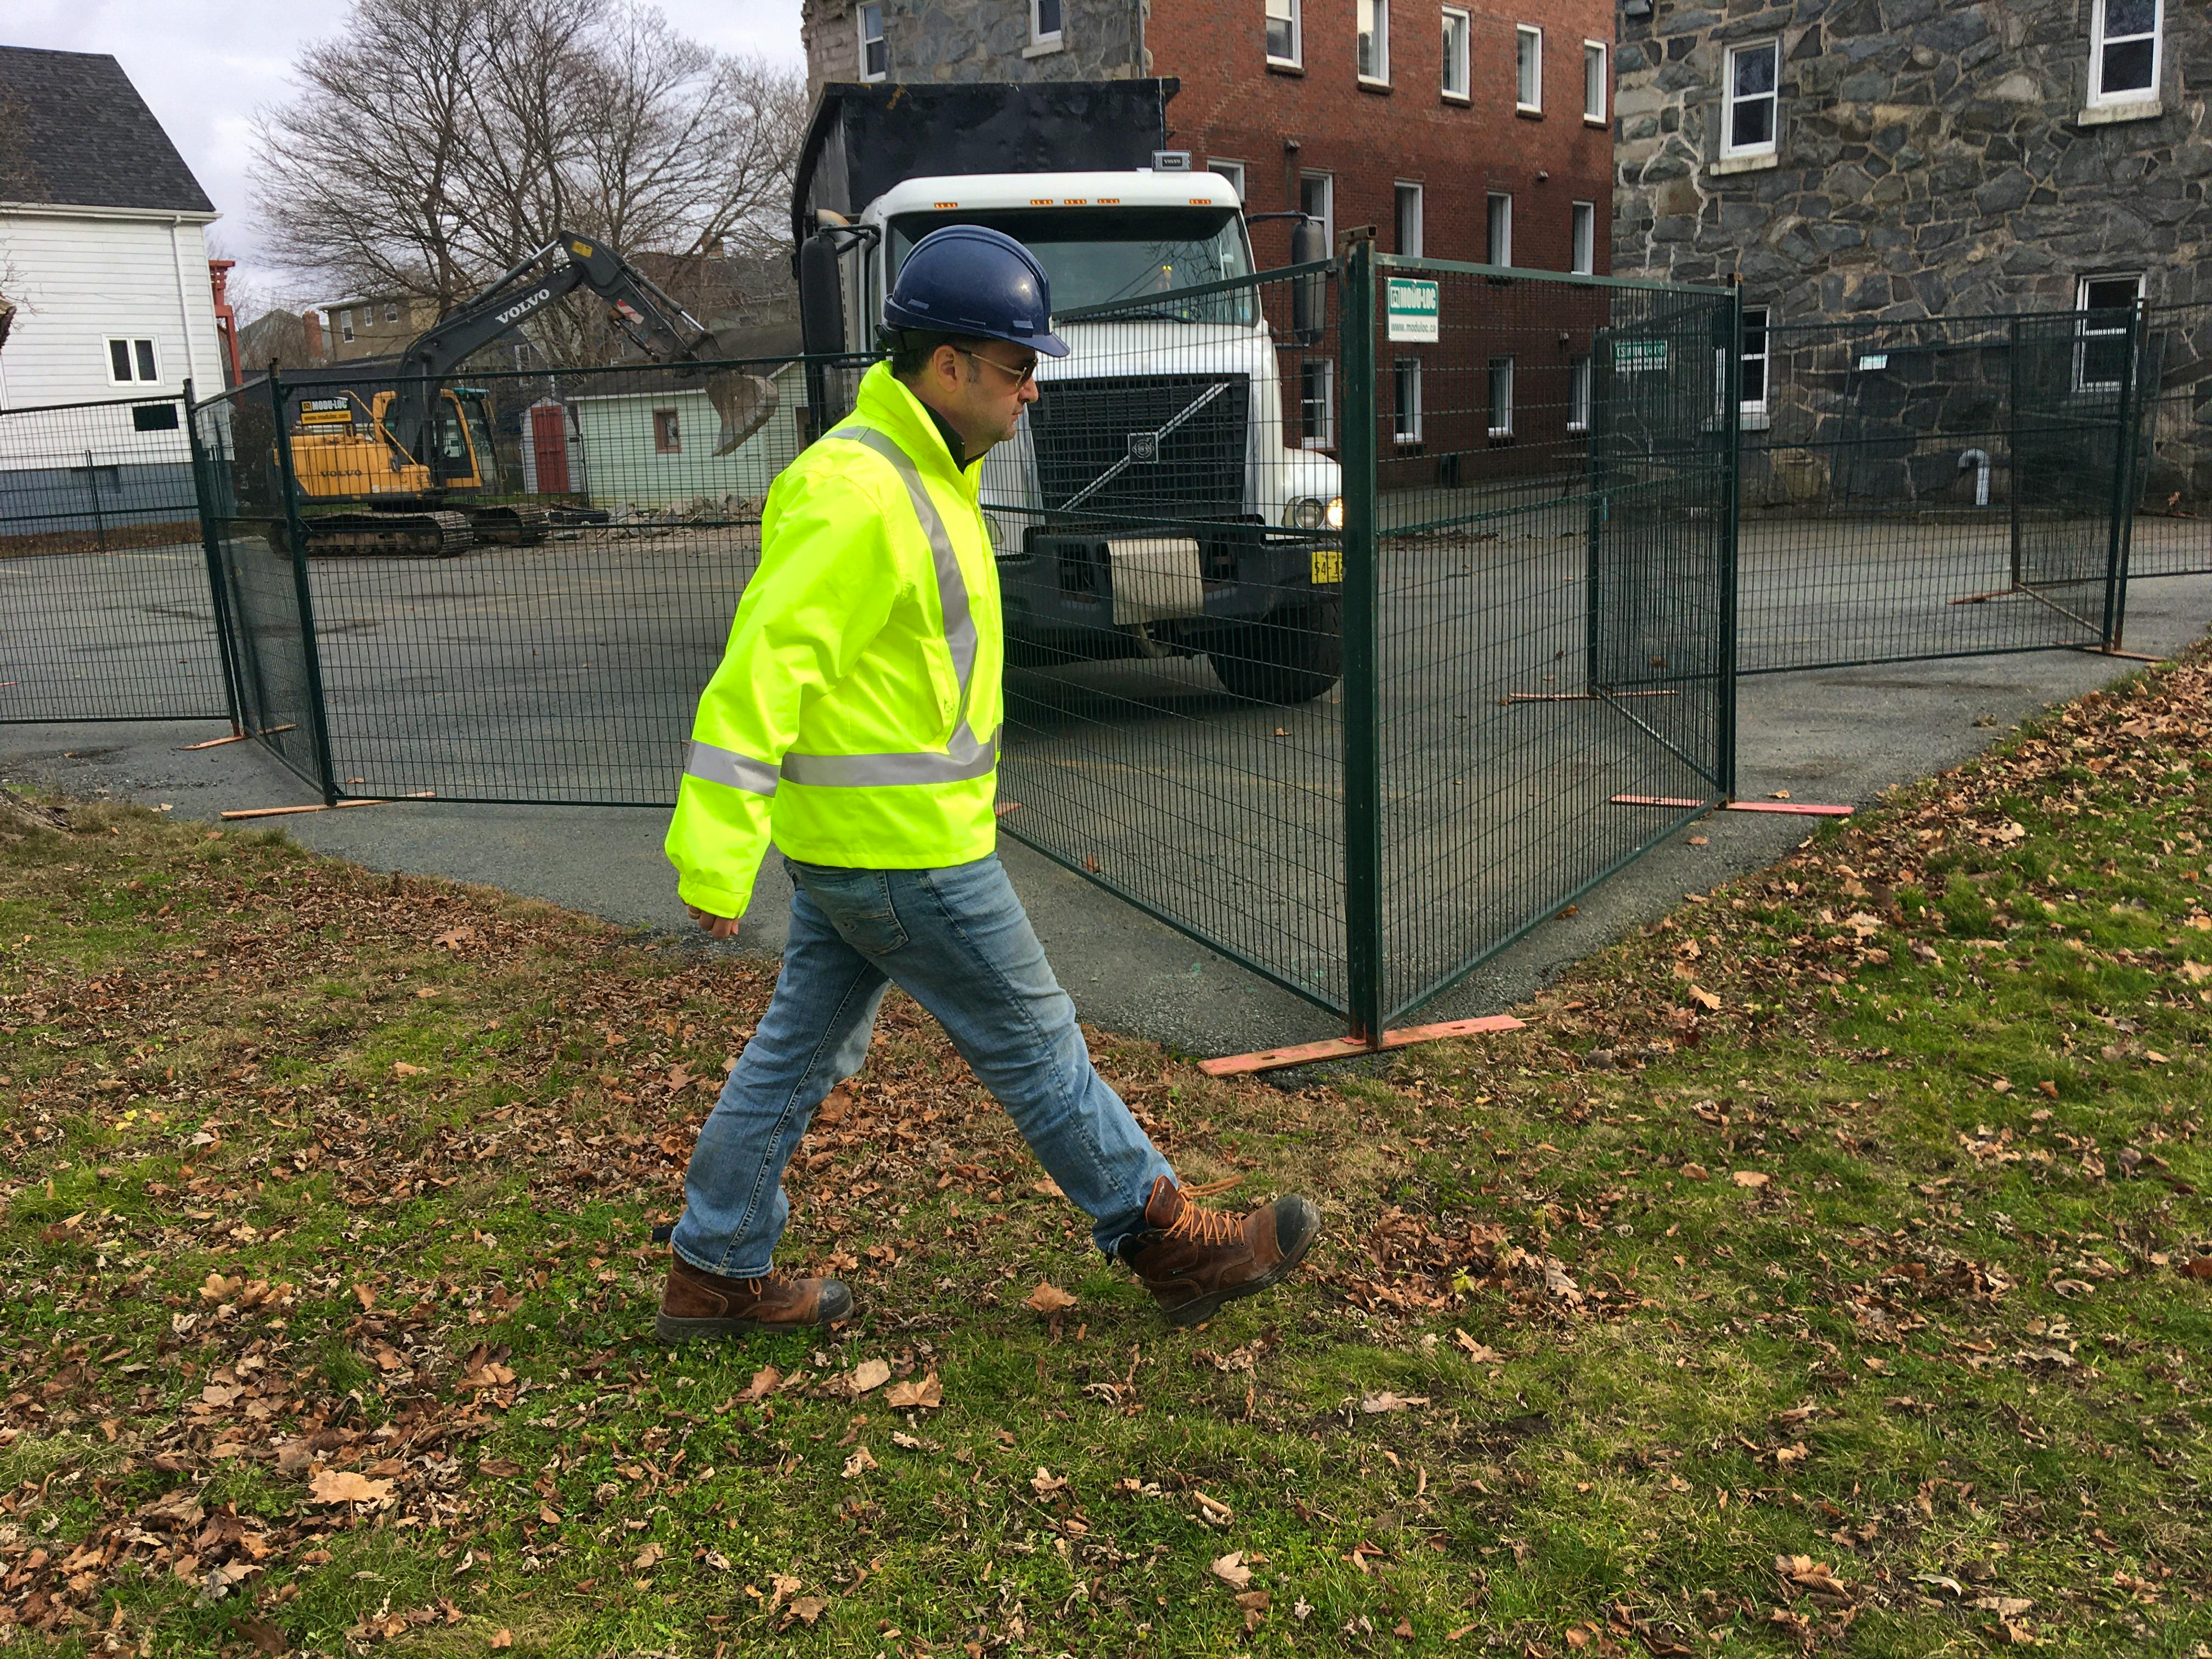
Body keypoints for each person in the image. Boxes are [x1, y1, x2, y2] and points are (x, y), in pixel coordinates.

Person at [656, 225, 1321, 1340]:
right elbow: (761, 675)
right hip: (902, 853)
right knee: (1036, 1040)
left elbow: (900, 677)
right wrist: (715, 855)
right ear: (948, 365)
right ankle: (1165, 1240)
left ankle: (715, 1271)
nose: (1032, 391)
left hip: (869, 842)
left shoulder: (920, 475)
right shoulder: (861, 491)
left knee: (797, 1053)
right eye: (1017, 368)